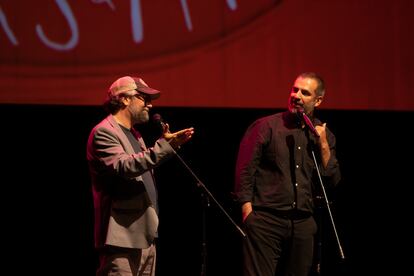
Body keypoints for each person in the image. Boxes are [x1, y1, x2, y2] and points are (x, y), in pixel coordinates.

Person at [234, 72, 341, 276]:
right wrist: (248, 212)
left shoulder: (322, 136)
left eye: (305, 92)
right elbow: (245, 171)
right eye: (295, 89)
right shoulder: (266, 126)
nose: (296, 95)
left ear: (318, 100)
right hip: (266, 221)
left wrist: (324, 144)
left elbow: (332, 181)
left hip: (303, 224)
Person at [87, 75, 194, 276]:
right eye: (144, 99)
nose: (150, 105)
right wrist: (164, 147)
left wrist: (164, 146)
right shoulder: (103, 132)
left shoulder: (135, 134)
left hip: (144, 237)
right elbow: (125, 167)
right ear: (125, 99)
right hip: (121, 238)